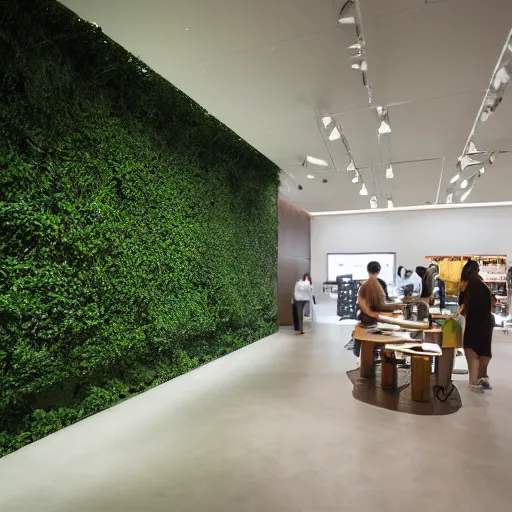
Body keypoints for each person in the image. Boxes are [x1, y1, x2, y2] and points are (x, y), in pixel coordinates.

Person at [454, 260, 494, 392]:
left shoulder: (466, 284)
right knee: (483, 350)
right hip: (486, 321)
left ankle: (473, 381)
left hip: (473, 321)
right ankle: (482, 378)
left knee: (470, 349)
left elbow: (461, 304)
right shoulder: (481, 283)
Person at [353, 261, 404, 356]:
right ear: (379, 271)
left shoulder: (364, 285)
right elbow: (380, 304)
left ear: (367, 270)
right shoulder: (378, 284)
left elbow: (362, 304)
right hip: (371, 319)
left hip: (371, 317)